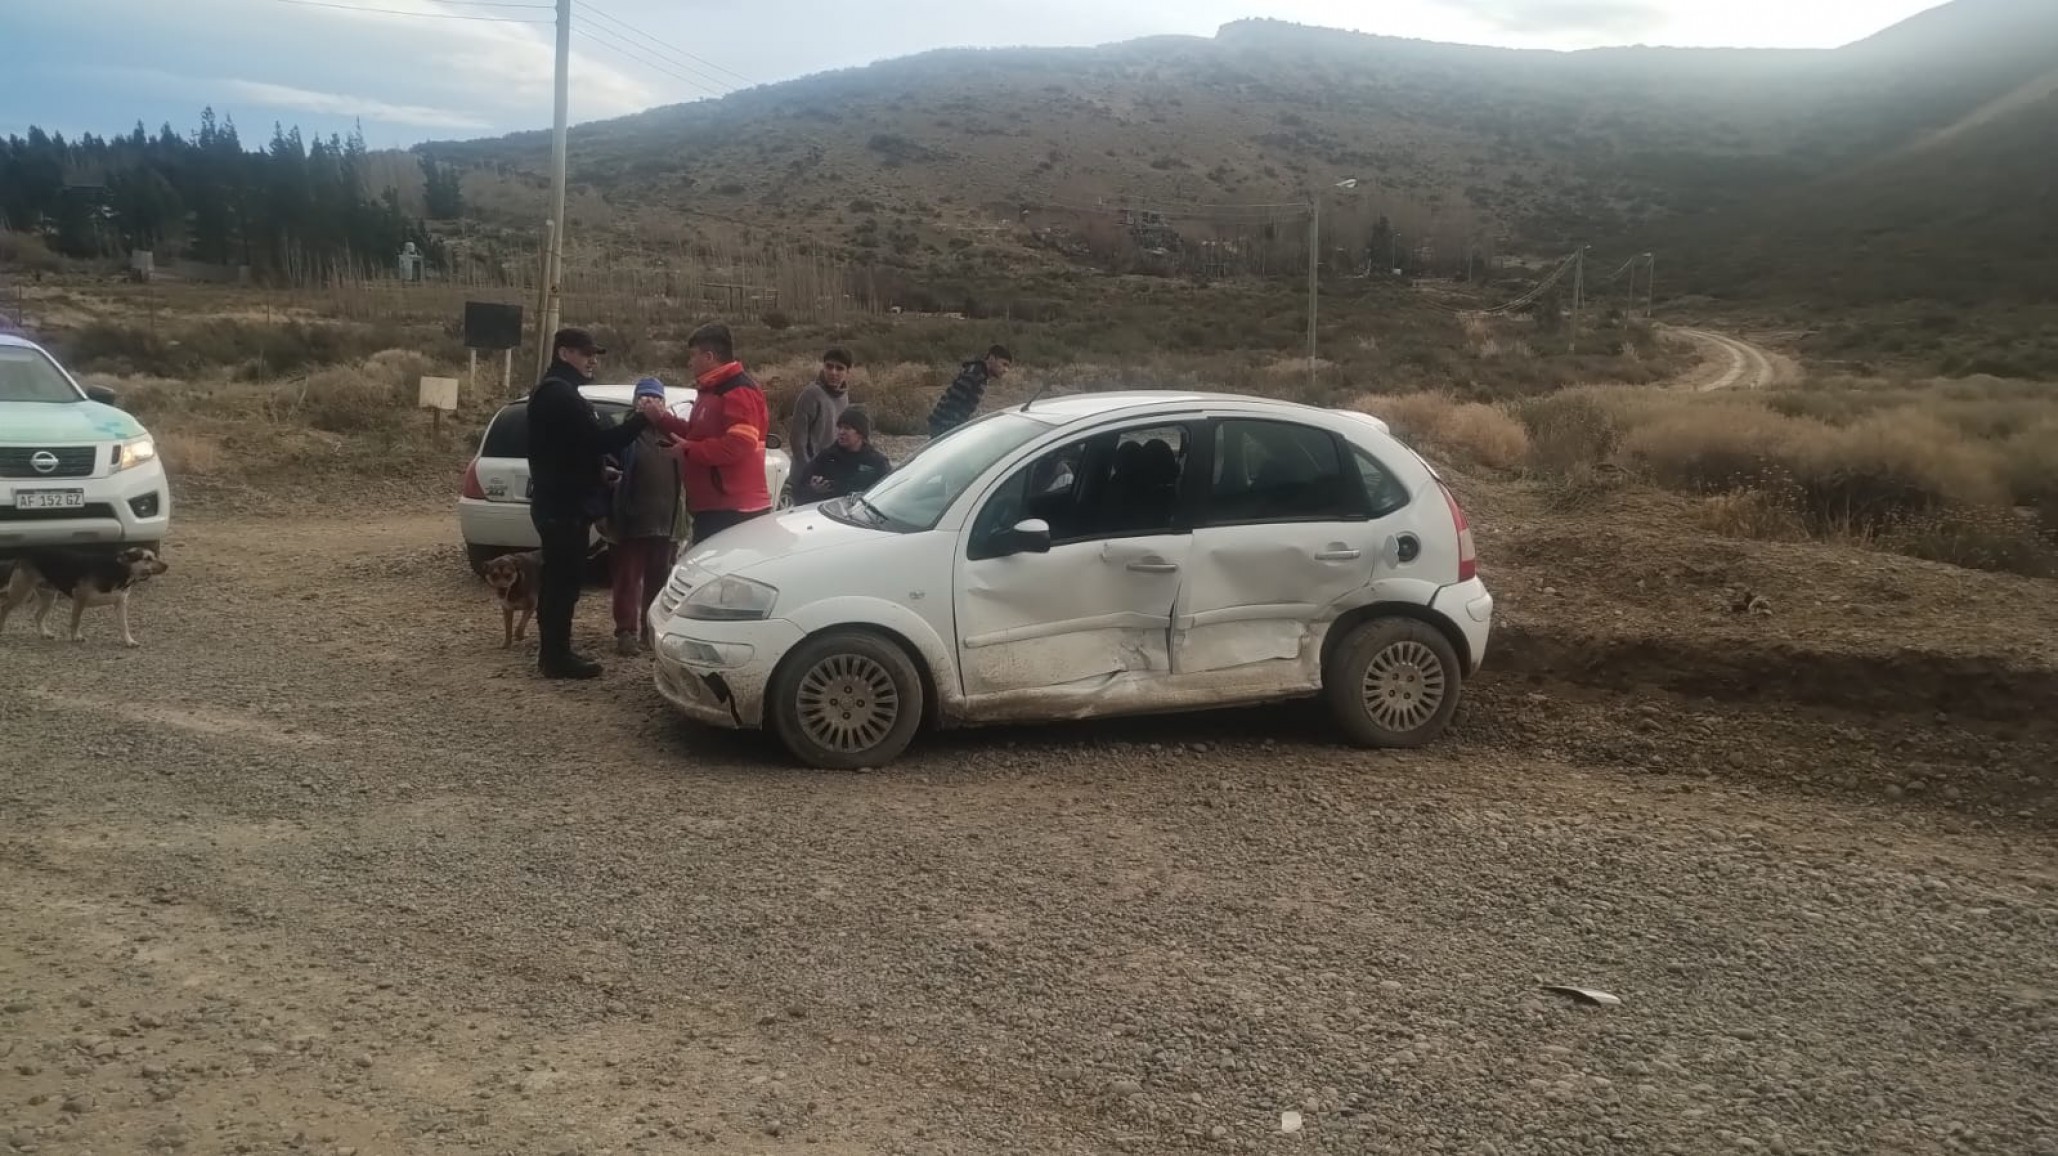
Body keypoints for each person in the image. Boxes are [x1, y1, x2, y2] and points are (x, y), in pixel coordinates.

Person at [526, 326, 650, 680]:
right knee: (562, 585)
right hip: (562, 508)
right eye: (585, 353)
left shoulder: (559, 393)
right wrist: (642, 419)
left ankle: (554, 653)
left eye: (594, 354)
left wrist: (597, 472)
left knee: (560, 581)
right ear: (564, 353)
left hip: (561, 503)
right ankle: (556, 657)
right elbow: (598, 440)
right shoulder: (559, 395)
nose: (592, 360)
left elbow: (572, 448)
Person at [637, 322, 771, 545]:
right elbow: (694, 435)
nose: (689, 362)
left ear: (709, 357)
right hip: (716, 507)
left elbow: (739, 444)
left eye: (693, 355)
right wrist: (660, 418)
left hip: (734, 509)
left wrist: (689, 450)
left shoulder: (738, 390)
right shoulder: (711, 390)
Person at [605, 377, 687, 656]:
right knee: (627, 580)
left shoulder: (673, 432)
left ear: (664, 404)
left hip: (667, 522)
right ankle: (625, 633)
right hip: (631, 521)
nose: (650, 402)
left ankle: (650, 631)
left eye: (656, 398)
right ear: (635, 402)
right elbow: (605, 464)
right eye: (644, 397)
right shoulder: (622, 431)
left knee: (659, 580)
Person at [795, 408, 892, 502]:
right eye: (840, 427)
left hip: (859, 511)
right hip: (826, 510)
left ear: (861, 434)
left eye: (847, 428)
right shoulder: (826, 457)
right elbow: (799, 491)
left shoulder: (876, 462)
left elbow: (887, 495)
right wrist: (813, 490)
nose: (841, 432)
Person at [787, 347, 852, 477]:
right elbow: (797, 440)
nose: (833, 372)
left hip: (830, 469)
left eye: (839, 368)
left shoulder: (843, 396)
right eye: (829, 366)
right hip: (808, 472)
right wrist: (809, 471)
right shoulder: (811, 394)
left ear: (847, 372)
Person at [925, 343, 1011, 439]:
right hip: (943, 425)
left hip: (944, 424)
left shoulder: (980, 373)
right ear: (992, 358)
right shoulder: (976, 374)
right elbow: (954, 401)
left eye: (1008, 366)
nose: (1006, 370)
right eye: (1004, 364)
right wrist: (954, 430)